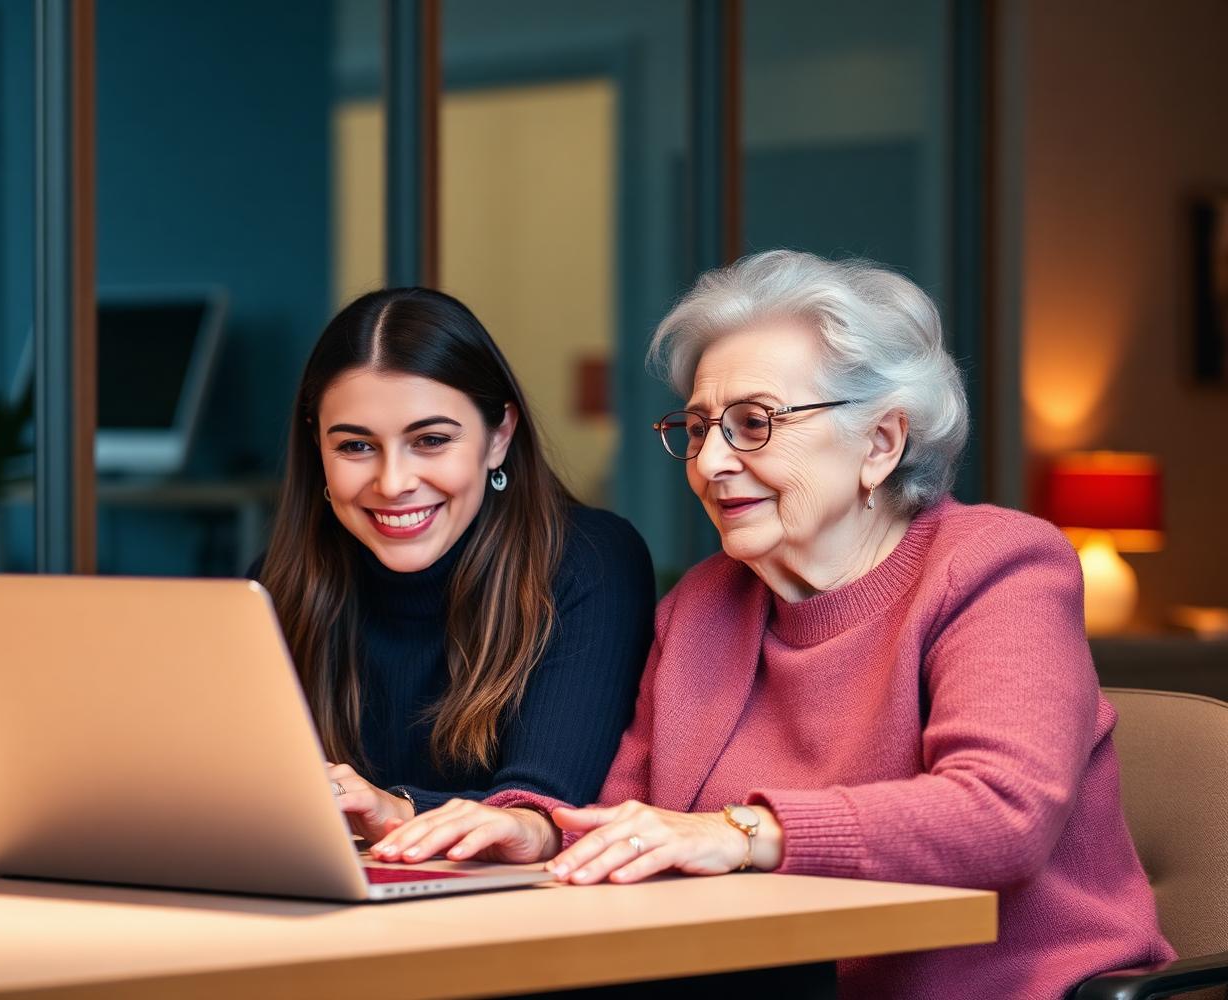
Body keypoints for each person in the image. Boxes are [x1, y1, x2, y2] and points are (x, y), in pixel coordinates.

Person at [370, 252, 1174, 997]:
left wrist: (745, 832)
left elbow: (1002, 815)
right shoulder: (703, 606)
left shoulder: (996, 565)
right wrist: (539, 835)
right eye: (696, 429)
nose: (712, 463)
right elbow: (631, 818)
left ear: (881, 442)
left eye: (754, 423)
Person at [253, 287, 654, 849]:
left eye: (431, 440)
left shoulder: (589, 560)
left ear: (499, 436)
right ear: (317, 448)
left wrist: (400, 809)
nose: (393, 483)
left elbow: (547, 806)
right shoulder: (275, 584)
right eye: (355, 447)